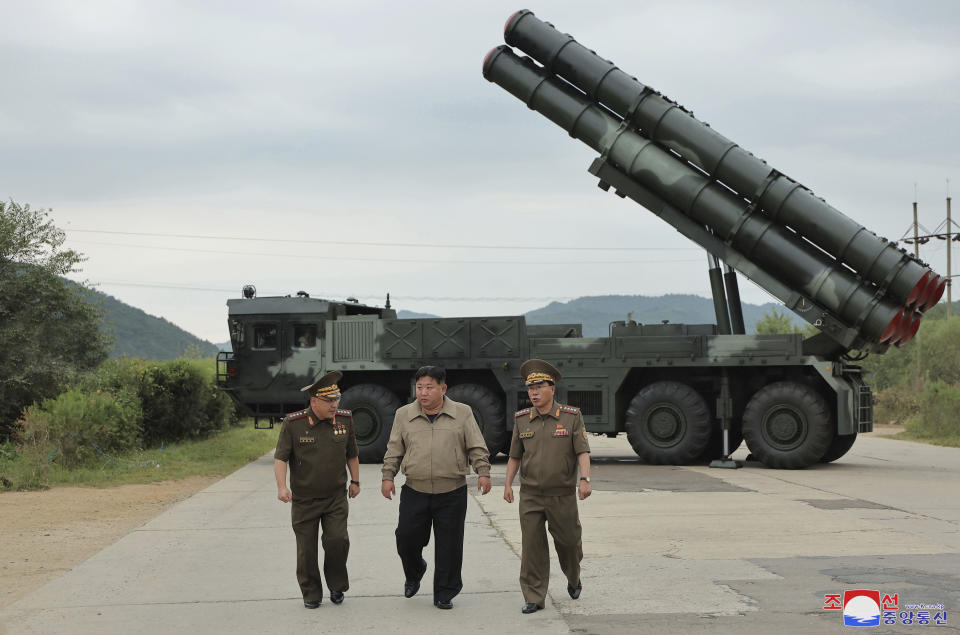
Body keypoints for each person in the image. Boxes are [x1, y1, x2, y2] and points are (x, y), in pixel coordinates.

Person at [380, 365, 492, 610]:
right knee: (406, 538)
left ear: (443, 388)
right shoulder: (403, 414)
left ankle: (445, 591)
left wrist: (483, 471)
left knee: (449, 545)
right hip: (415, 489)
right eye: (419, 387)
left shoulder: (462, 413)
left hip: (452, 490)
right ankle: (414, 570)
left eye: (429, 387)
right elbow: (394, 449)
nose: (423, 393)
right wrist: (388, 476)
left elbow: (476, 445)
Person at [503, 359, 591, 614]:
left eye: (540, 387)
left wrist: (584, 480)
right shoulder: (522, 420)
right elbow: (514, 456)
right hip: (530, 495)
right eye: (531, 388)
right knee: (532, 547)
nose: (534, 392)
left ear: (552, 388)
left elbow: (582, 451)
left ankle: (573, 576)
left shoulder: (571, 417)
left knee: (569, 543)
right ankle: (534, 596)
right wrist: (508, 484)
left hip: (561, 495)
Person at [274, 370, 361, 609]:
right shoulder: (294, 424)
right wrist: (282, 487)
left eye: (337, 400)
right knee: (307, 551)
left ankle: (336, 586)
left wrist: (355, 481)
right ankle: (311, 592)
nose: (335, 405)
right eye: (329, 401)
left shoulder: (345, 419)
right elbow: (281, 458)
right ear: (314, 402)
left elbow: (351, 453)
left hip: (335, 498)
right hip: (304, 500)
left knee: (337, 541)